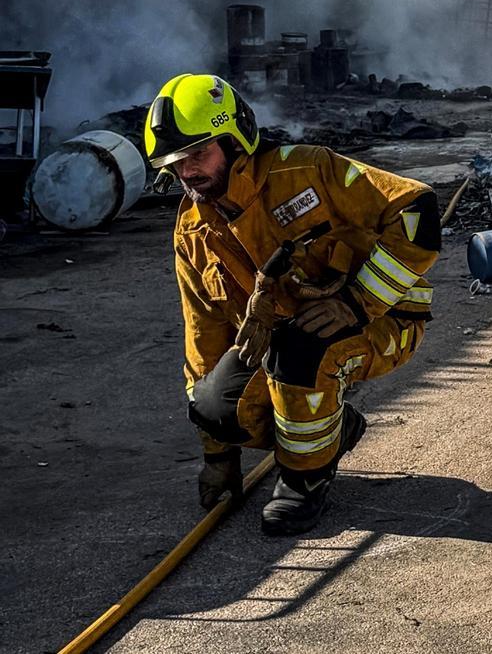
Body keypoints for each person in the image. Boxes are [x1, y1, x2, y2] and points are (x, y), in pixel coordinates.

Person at [144, 73, 440, 535]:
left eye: (199, 153)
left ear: (236, 141)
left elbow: (419, 212)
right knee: (214, 405)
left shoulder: (306, 171)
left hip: (386, 322)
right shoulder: (193, 231)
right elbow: (203, 334)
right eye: (176, 162)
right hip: (289, 338)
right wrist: (218, 453)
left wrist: (360, 302)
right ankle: (332, 429)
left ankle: (306, 479)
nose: (188, 172)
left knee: (298, 349)